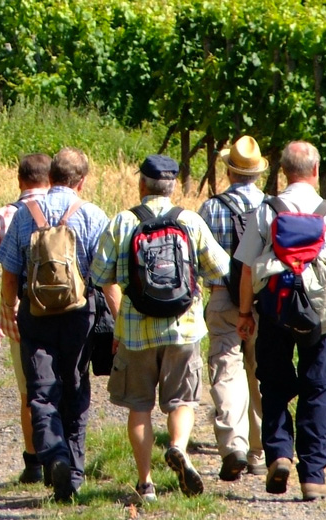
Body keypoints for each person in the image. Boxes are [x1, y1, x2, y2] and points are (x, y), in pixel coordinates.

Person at [91, 155, 230, 503]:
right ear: (173, 187)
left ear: (142, 185)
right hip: (183, 329)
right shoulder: (190, 221)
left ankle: (145, 484)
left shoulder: (122, 222)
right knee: (181, 400)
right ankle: (179, 448)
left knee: (139, 406)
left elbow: (97, 276)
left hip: (135, 332)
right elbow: (220, 271)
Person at [233, 141, 326, 501]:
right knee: (319, 386)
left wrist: (245, 314)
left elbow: (246, 269)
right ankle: (314, 475)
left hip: (275, 310)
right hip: (320, 315)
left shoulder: (266, 211)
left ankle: (279, 455)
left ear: (282, 171)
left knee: (272, 383)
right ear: (316, 170)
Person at [0, 147, 110, 502]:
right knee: (75, 389)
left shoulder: (24, 214)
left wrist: (7, 309)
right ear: (82, 180)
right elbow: (107, 277)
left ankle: (54, 456)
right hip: (79, 316)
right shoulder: (91, 214)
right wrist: (118, 322)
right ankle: (73, 474)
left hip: (37, 313)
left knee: (41, 391)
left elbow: (10, 272)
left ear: (52, 176)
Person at [196, 136, 268, 482]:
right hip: (264, 301)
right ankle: (258, 453)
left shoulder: (211, 209)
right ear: (258, 173)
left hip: (223, 297)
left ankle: (232, 446)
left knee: (226, 371)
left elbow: (199, 261)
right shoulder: (272, 208)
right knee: (259, 374)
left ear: (228, 171)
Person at [0, 153, 51, 484]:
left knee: (29, 390)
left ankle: (34, 462)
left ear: (19, 181)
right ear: (50, 180)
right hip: (66, 310)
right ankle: (63, 456)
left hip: (21, 314)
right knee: (63, 382)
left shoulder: (2, 216)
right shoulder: (68, 208)